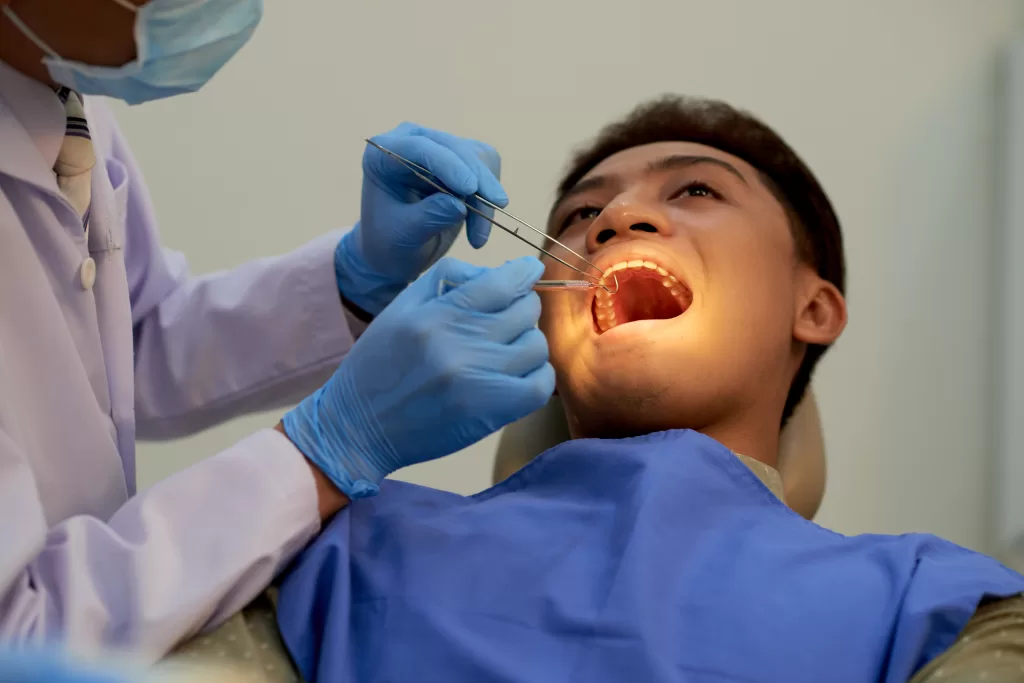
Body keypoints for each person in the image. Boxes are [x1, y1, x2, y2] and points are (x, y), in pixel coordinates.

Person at [271, 97, 1024, 683]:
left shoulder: (950, 611)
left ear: (814, 308)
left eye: (697, 190)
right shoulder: (321, 559)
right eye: (581, 215)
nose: (616, 220)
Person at [0, 0, 554, 659]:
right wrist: (325, 448)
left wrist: (353, 279)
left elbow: (127, 341)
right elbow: (20, 632)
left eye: (696, 192)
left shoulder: (55, 91)